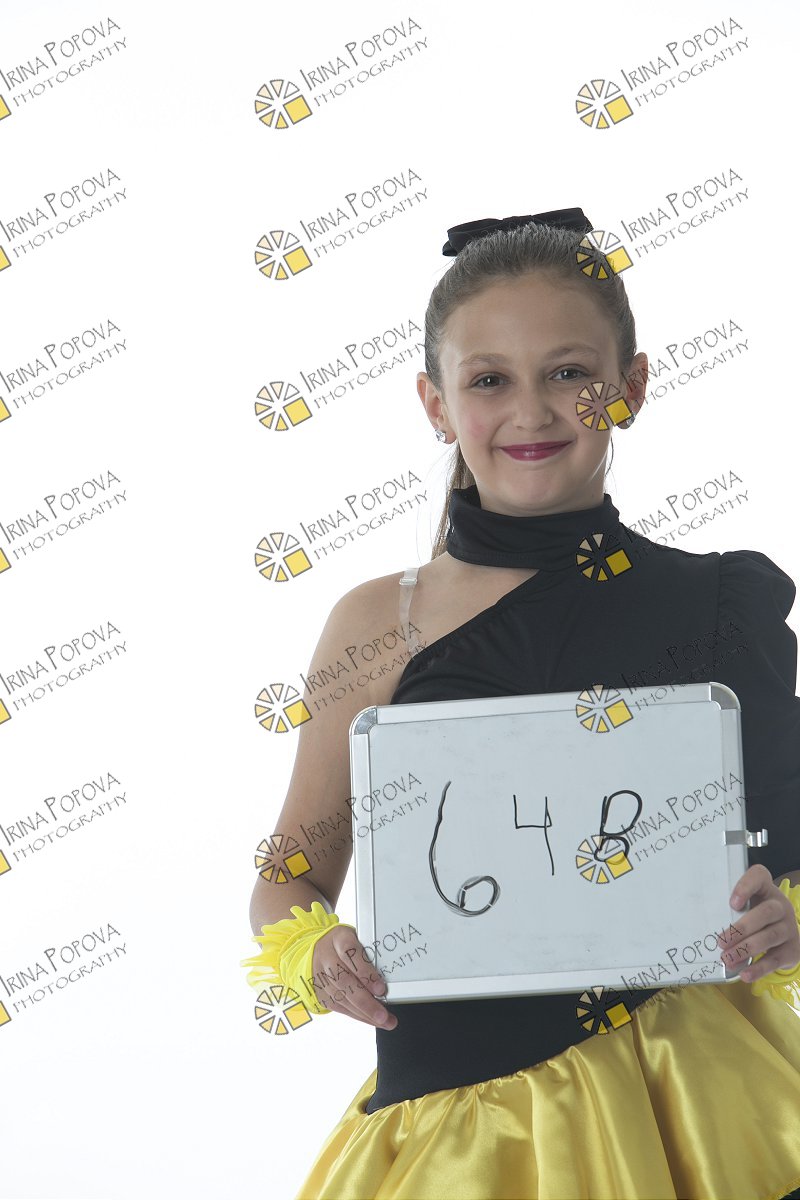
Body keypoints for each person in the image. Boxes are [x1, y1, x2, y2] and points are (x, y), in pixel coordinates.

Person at [242, 211, 800, 1200]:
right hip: (457, 1116)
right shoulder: (375, 626)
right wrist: (316, 950)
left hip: (692, 1098)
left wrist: (786, 917)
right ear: (436, 403)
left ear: (629, 386)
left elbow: (785, 852)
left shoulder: (720, 604)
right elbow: (289, 875)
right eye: (489, 380)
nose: (531, 411)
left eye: (568, 373)